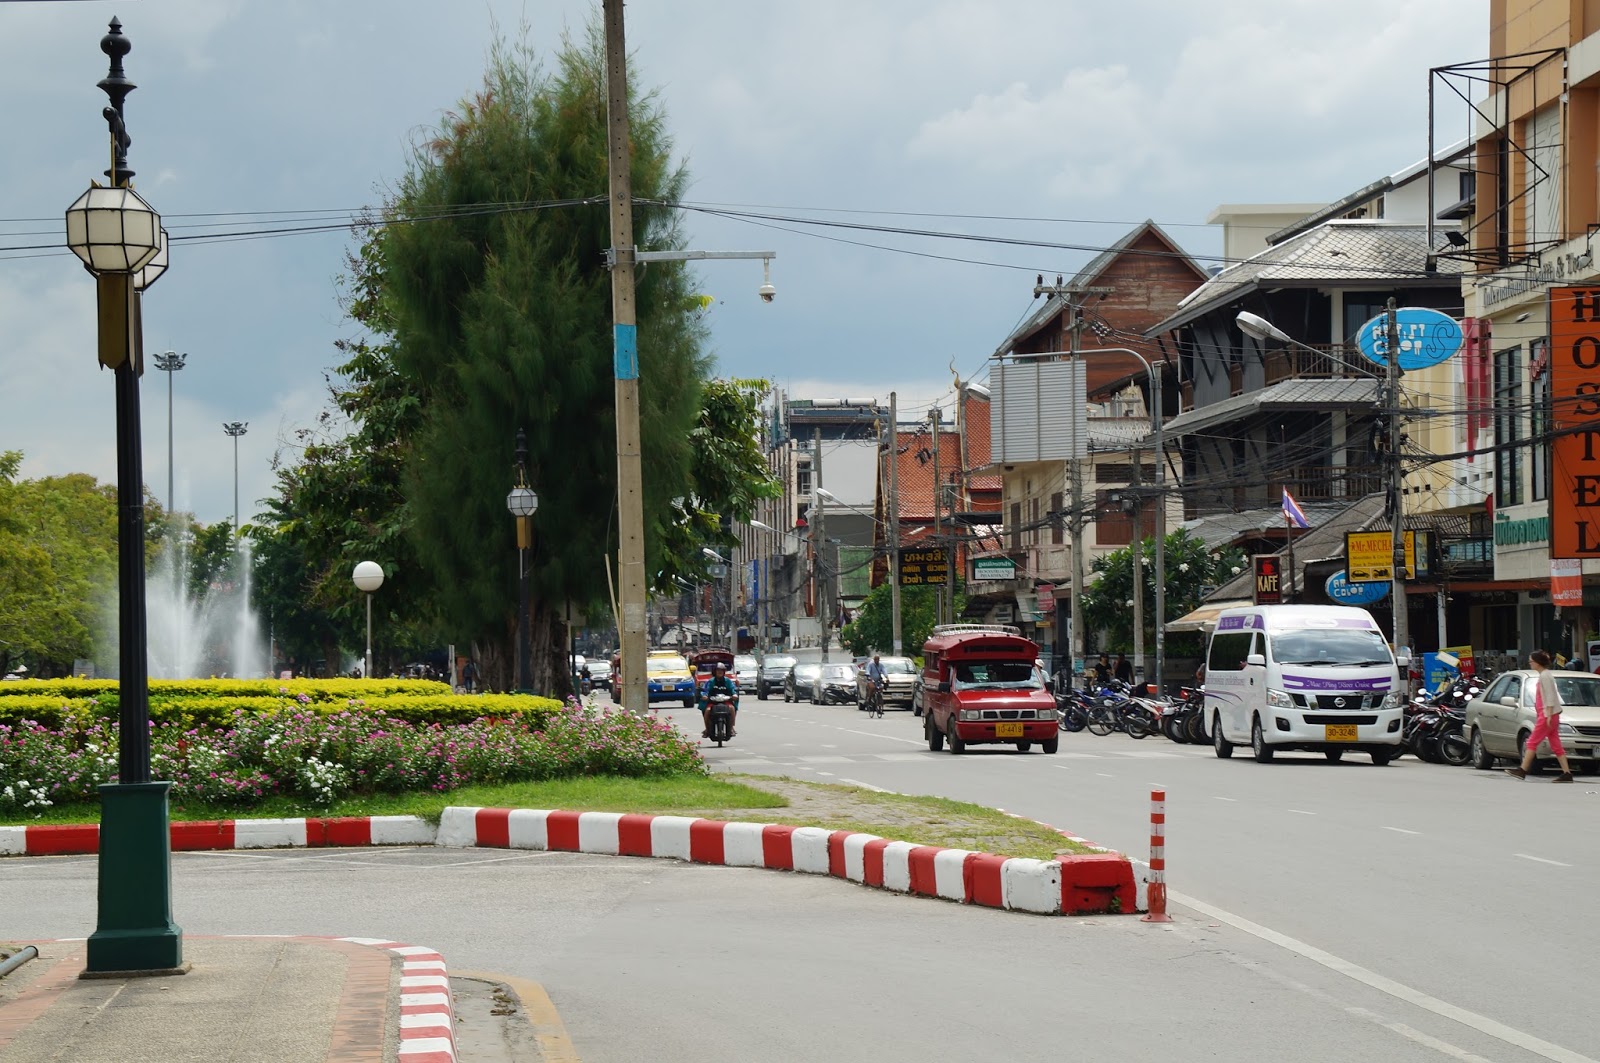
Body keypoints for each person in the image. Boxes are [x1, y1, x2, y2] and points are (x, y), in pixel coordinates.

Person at [1506, 650, 1574, 783]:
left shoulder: (1545, 676)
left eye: (1531, 661)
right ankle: (1567, 773)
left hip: (1547, 714)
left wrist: (1548, 714)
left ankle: (1522, 770)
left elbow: (1550, 695)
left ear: (1538, 662)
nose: (1530, 663)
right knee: (1556, 745)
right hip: (1550, 714)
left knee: (1532, 742)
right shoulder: (1545, 675)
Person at [700, 660, 739, 738]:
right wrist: (704, 696)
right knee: (707, 711)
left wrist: (734, 695)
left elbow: (733, 690)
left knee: (732, 708)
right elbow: (705, 691)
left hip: (726, 701)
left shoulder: (728, 681)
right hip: (713, 702)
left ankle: (731, 728)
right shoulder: (710, 681)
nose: (720, 672)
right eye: (718, 670)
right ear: (715, 671)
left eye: (721, 670)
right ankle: (707, 729)